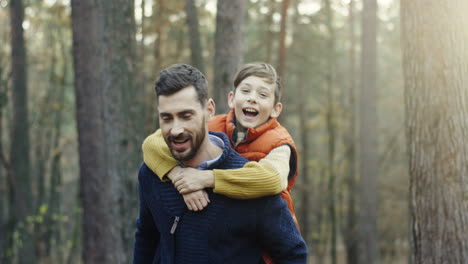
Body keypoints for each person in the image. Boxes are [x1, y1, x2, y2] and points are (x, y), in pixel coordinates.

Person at [133, 64, 307, 264]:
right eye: (166, 118)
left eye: (263, 94)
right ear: (231, 98)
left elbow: (272, 179)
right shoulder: (214, 126)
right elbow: (151, 143)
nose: (176, 129)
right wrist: (178, 175)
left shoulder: (279, 145)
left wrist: (206, 178)